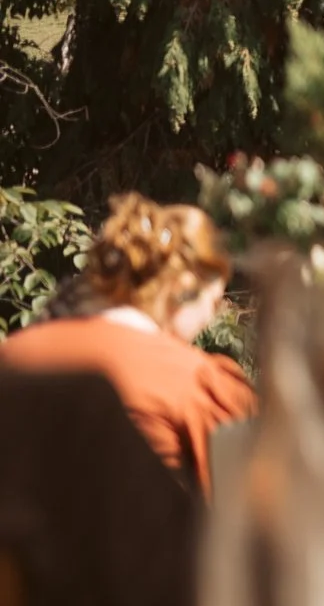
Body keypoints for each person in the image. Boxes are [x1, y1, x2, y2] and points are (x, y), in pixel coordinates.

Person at [2, 194, 253, 495]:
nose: (210, 319)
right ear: (183, 288)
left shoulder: (14, 354)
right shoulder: (192, 381)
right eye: (213, 303)